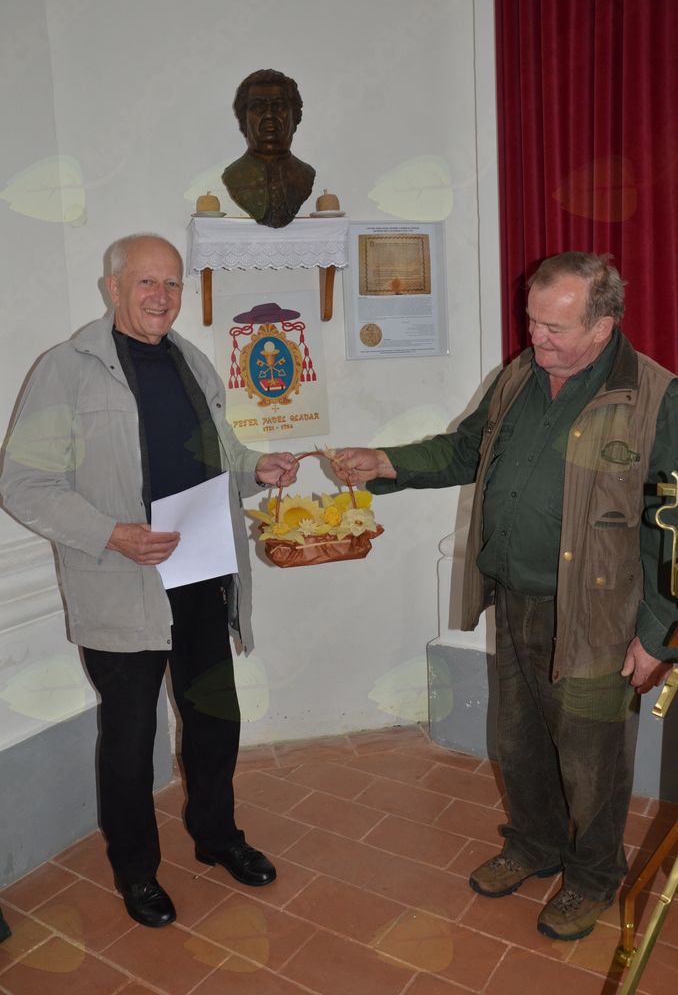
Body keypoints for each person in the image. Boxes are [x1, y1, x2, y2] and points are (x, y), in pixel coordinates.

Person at [334, 252, 678, 942]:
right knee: (518, 741)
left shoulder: (656, 397)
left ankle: (592, 878)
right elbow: (465, 450)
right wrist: (388, 462)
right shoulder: (518, 377)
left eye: (555, 327)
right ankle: (533, 845)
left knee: (591, 759)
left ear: (603, 326)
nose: (536, 337)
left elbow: (671, 521)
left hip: (599, 618)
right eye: (531, 320)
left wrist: (659, 631)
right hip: (515, 598)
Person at [0, 234, 299, 929]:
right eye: (145, 282)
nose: (161, 296)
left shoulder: (192, 361)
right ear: (113, 288)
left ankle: (217, 836)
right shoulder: (65, 369)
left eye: (171, 283)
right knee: (131, 741)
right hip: (120, 583)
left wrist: (257, 470)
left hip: (201, 575)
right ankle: (136, 871)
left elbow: (221, 456)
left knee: (214, 722)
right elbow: (23, 484)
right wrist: (112, 533)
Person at [222, 68, 316, 228]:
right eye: (258, 107)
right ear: (244, 121)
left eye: (278, 106)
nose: (269, 115)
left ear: (294, 118)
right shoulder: (233, 176)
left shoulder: (305, 175)